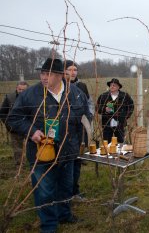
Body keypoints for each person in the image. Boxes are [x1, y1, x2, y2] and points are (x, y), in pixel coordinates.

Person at [6, 58, 91, 233]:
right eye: (42, 73)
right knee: (44, 189)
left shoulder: (75, 93)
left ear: (60, 75)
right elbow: (13, 118)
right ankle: (49, 225)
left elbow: (85, 116)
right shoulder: (30, 94)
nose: (44, 77)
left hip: (68, 151)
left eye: (48, 74)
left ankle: (64, 215)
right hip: (41, 151)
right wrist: (31, 131)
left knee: (66, 187)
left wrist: (79, 140)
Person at [64, 59, 94, 199]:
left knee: (77, 161)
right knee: (66, 165)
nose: (73, 72)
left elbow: (89, 103)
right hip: (65, 132)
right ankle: (65, 194)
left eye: (75, 69)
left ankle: (75, 191)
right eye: (69, 69)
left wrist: (89, 117)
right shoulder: (60, 87)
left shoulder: (82, 86)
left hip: (80, 131)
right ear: (63, 71)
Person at [0, 81, 29, 166]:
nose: (21, 91)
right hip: (14, 127)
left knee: (32, 146)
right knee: (17, 148)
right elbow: (2, 112)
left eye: (23, 89)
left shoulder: (32, 97)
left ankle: (34, 162)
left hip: (29, 126)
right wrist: (8, 124)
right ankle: (20, 165)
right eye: (19, 89)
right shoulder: (9, 98)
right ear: (16, 88)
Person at [97, 78, 134, 143]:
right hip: (107, 123)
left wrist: (125, 117)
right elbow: (97, 108)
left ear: (118, 87)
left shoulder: (125, 96)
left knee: (121, 142)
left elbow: (131, 106)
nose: (112, 86)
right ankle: (108, 153)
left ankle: (120, 153)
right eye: (111, 85)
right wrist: (104, 109)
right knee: (107, 143)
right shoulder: (103, 96)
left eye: (114, 85)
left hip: (120, 123)